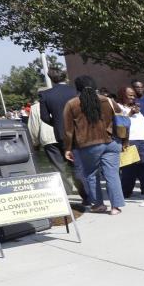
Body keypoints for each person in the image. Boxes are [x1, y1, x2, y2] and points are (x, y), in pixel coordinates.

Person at [62, 76, 125, 215]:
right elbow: (121, 118)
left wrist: (68, 148)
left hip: (88, 145)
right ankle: (115, 207)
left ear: (77, 88)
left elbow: (68, 130)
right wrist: (124, 141)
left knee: (91, 174)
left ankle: (98, 205)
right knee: (112, 175)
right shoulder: (108, 100)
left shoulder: (71, 104)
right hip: (111, 142)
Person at [39, 68, 88, 205]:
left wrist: (57, 123)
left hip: (62, 133)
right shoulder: (75, 91)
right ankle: (87, 195)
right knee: (80, 165)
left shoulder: (46, 95)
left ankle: (83, 195)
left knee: (70, 166)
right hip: (81, 131)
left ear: (51, 79)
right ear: (65, 76)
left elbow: (44, 117)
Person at [117, 86, 144, 198]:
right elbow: (120, 124)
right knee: (129, 168)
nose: (133, 97)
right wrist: (130, 113)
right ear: (123, 95)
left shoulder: (136, 107)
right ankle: (126, 191)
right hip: (130, 140)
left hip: (143, 140)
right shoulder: (118, 107)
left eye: (134, 95)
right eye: (130, 95)